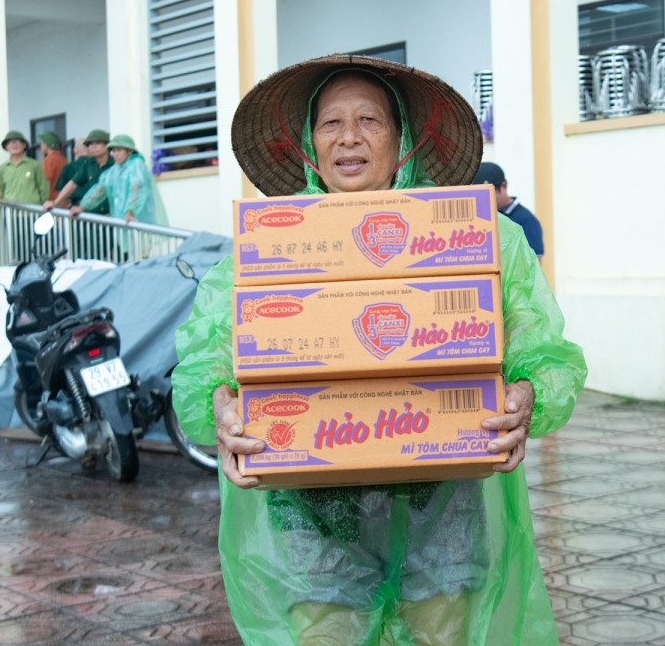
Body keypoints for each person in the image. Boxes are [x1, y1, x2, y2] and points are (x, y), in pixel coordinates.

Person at [172, 56, 587, 645]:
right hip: (314, 512)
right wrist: (219, 403)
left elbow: (545, 352)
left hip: (439, 503)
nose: (349, 137)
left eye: (370, 119)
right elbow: (205, 361)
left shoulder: (483, 239)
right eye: (330, 122)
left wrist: (528, 395)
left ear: (403, 141)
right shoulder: (263, 252)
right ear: (309, 147)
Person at [67, 134, 164, 224]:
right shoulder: (114, 170)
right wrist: (84, 206)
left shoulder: (136, 164)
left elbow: (137, 188)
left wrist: (130, 211)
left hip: (137, 218)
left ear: (129, 151)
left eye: (119, 150)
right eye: (114, 151)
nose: (115, 154)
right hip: (123, 219)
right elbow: (100, 189)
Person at [474, 161, 544, 258]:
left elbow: (535, 264)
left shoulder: (525, 219)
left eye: (487, 194)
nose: (482, 201)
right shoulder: (481, 218)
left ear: (503, 187)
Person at [43, 128, 111, 215]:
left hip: (111, 216)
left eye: (98, 143)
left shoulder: (115, 164)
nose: (94, 146)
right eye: (90, 144)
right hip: (90, 215)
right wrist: (55, 202)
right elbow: (73, 183)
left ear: (107, 144)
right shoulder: (88, 163)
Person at [0, 131, 50, 205]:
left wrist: (41, 207)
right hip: (10, 211)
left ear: (24, 145)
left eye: (18, 141)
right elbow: (2, 190)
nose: (14, 145)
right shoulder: (2, 168)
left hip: (31, 212)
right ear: (6, 146)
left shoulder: (34, 165)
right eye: (10, 142)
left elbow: (43, 189)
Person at [39, 131, 67, 200]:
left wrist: (43, 199)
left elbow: (46, 182)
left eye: (42, 143)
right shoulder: (63, 159)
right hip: (63, 199)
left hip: (52, 200)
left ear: (47, 144)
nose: (41, 145)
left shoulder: (48, 159)